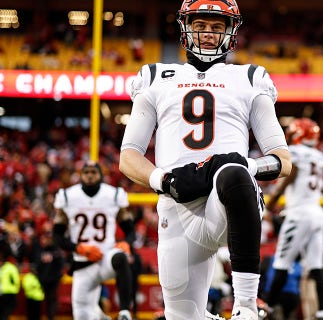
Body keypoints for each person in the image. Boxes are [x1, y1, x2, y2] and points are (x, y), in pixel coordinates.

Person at [119, 0, 291, 319]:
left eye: (216, 26)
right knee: (182, 316)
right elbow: (128, 155)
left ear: (231, 32)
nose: (208, 33)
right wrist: (165, 181)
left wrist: (244, 166)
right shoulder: (155, 76)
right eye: (200, 25)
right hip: (176, 208)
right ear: (186, 28)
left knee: (232, 174)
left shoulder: (250, 77)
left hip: (227, 205)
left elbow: (283, 159)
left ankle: (246, 307)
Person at [263, 118, 323, 320]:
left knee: (282, 263)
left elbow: (289, 179)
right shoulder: (319, 156)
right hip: (317, 213)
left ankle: (268, 308)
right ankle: (322, 312)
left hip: (299, 214)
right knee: (316, 266)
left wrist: (270, 204)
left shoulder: (296, 153)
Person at [52, 161, 135, 320]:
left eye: (93, 172)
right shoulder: (68, 196)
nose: (90, 175)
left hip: (106, 258)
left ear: (101, 175)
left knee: (120, 257)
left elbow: (130, 230)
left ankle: (125, 311)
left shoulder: (113, 195)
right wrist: (78, 248)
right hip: (83, 263)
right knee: (83, 315)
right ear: (81, 175)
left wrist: (127, 243)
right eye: (86, 172)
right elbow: (57, 236)